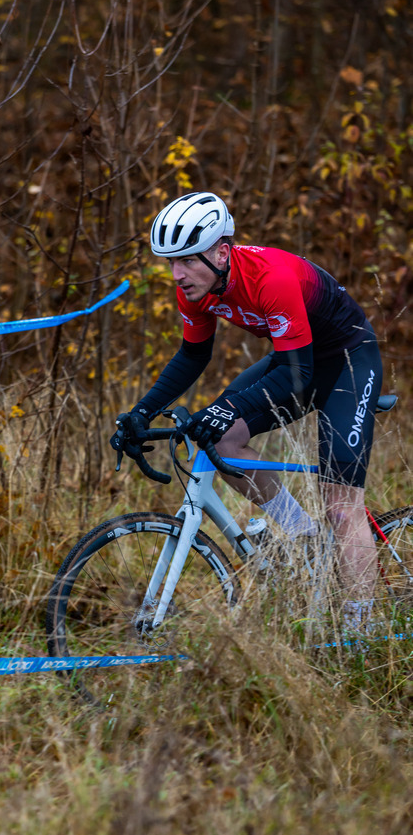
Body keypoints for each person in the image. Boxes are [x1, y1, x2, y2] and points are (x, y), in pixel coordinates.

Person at [115, 191, 383, 635]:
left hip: (347, 361)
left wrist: (228, 406)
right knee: (220, 439)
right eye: (171, 262)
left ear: (223, 251)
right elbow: (191, 357)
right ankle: (306, 540)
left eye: (187, 260)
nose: (178, 274)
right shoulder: (196, 288)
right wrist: (141, 411)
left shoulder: (270, 277)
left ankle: (362, 634)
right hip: (296, 359)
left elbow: (297, 374)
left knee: (341, 506)